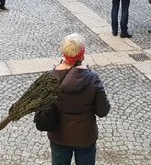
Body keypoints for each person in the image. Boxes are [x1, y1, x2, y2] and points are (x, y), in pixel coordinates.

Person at [47, 33, 110, 165]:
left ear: (64, 54)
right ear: (82, 55)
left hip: (59, 135)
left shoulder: (51, 77)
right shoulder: (92, 79)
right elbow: (103, 111)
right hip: (85, 135)